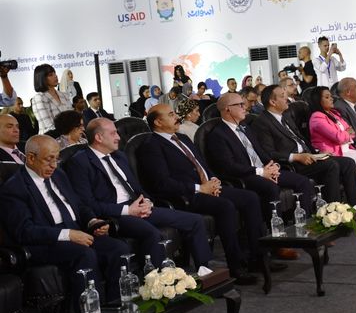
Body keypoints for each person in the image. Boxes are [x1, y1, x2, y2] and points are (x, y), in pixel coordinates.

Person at [137, 104, 265, 284]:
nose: (177, 117)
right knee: (225, 206)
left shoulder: (182, 138)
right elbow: (163, 183)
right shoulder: (151, 146)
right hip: (186, 195)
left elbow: (202, 165)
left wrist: (213, 180)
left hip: (207, 187)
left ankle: (256, 256)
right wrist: (200, 188)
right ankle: (235, 266)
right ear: (158, 122)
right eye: (171, 114)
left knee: (250, 198)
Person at [0, 135, 128, 310]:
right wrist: (68, 235)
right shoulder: (14, 188)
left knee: (118, 248)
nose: (54, 165)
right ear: (30, 158)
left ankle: (117, 307)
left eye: (57, 158)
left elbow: (79, 206)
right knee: (84, 254)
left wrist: (92, 221)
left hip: (75, 231)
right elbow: (25, 231)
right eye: (48, 159)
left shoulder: (59, 175)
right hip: (45, 242)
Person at [65, 118, 212, 269]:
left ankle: (204, 271)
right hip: (115, 215)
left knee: (195, 220)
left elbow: (137, 187)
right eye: (113, 133)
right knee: (153, 234)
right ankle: (157, 279)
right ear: (99, 137)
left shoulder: (119, 156)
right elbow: (88, 203)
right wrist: (128, 210)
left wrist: (147, 201)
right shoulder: (80, 162)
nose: (118, 137)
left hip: (138, 206)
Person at [206, 93, 315, 217]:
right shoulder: (217, 135)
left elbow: (260, 151)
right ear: (227, 109)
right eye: (240, 105)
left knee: (302, 181)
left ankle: (305, 219)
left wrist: (273, 165)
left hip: (264, 170)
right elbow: (229, 166)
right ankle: (276, 227)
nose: (245, 107)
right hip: (246, 175)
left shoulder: (244, 126)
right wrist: (261, 172)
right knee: (271, 187)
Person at [252, 85, 356, 205]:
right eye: (282, 96)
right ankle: (333, 209)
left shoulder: (286, 116)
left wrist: (317, 152)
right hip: (292, 163)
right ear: (273, 102)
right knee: (331, 165)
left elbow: (300, 139)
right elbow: (269, 153)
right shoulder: (262, 122)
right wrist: (296, 157)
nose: (286, 98)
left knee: (348, 163)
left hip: (308, 156)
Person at [307, 87, 356, 214]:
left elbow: (352, 131)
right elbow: (338, 137)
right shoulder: (316, 117)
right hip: (334, 152)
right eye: (327, 97)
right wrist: (346, 133)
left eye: (331, 96)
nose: (331, 99)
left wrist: (346, 133)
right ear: (318, 100)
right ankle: (355, 204)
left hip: (346, 148)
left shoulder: (334, 113)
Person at [31, 64, 72, 133]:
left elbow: (72, 118)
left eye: (54, 73)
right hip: (49, 137)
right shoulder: (39, 98)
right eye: (50, 75)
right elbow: (48, 126)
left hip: (69, 135)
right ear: (42, 78)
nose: (55, 76)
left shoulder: (64, 95)